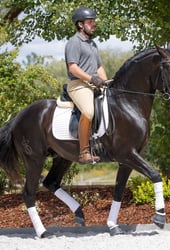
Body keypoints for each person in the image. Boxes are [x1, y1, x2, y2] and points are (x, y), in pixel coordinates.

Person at [65, 7, 108, 164]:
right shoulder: (74, 42)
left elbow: (99, 67)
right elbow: (73, 68)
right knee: (89, 112)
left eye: (94, 21)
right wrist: (91, 79)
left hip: (94, 84)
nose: (94, 24)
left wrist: (107, 82)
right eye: (90, 21)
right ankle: (83, 152)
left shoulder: (92, 44)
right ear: (80, 25)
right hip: (79, 85)